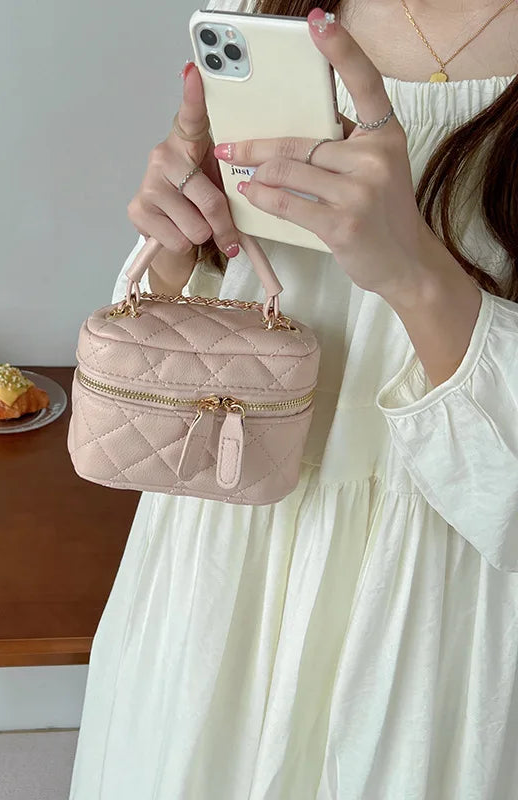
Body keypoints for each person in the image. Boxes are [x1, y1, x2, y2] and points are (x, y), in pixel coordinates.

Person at [69, 1, 518, 797]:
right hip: (224, 545)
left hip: (440, 594)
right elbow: (222, 295)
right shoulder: (268, 14)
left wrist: (415, 272)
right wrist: (177, 247)